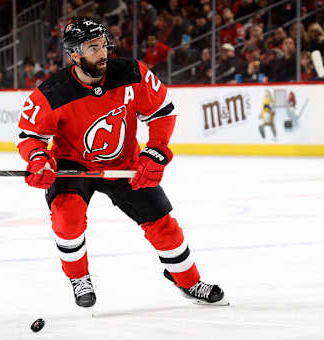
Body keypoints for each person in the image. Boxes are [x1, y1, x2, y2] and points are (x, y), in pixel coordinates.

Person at [16, 17, 228, 309]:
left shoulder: (132, 73)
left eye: (103, 44)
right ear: (75, 54)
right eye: (93, 48)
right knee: (67, 218)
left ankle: (189, 281)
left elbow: (162, 112)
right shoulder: (53, 92)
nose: (103, 52)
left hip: (125, 164)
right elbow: (29, 136)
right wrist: (38, 158)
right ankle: (79, 278)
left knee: (163, 224)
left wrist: (155, 150)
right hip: (73, 165)